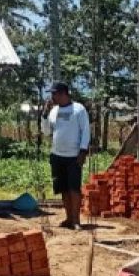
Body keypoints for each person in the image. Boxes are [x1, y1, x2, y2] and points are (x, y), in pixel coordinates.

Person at [40, 82, 90, 229]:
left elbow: (86, 131)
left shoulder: (78, 109)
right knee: (63, 188)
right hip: (57, 155)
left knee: (74, 189)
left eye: (54, 94)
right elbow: (47, 132)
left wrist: (83, 151)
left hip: (73, 156)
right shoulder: (53, 111)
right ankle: (68, 219)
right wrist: (44, 115)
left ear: (63, 94)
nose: (52, 97)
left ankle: (76, 220)